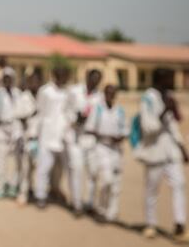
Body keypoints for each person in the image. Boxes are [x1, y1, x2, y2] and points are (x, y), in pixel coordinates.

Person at [135, 68, 189, 242]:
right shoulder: (147, 98)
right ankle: (150, 225)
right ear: (160, 79)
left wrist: (183, 148)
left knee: (179, 185)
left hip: (172, 152)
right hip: (154, 152)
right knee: (152, 190)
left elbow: (174, 125)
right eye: (170, 77)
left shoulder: (169, 96)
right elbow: (148, 127)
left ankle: (179, 226)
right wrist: (163, 112)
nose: (173, 80)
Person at [34, 66, 78, 211]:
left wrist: (70, 122)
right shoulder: (45, 91)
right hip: (47, 135)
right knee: (44, 167)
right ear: (54, 75)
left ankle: (74, 200)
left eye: (65, 75)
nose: (63, 78)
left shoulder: (69, 92)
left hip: (64, 136)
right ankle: (40, 196)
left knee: (67, 169)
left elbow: (72, 112)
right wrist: (36, 134)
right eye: (60, 75)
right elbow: (40, 112)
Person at [83, 85, 126, 222]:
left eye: (113, 93)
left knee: (116, 183)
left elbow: (125, 130)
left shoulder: (120, 111)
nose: (110, 95)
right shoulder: (98, 109)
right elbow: (89, 128)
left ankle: (112, 212)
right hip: (101, 148)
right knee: (106, 180)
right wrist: (104, 135)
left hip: (116, 150)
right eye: (108, 93)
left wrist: (119, 137)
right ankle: (101, 208)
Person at [68, 69, 103, 214]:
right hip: (76, 138)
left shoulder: (99, 97)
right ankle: (77, 204)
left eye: (98, 79)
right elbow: (66, 110)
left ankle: (90, 202)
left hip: (92, 140)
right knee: (76, 170)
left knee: (93, 172)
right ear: (87, 77)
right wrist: (75, 120)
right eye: (93, 78)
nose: (95, 82)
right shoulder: (74, 91)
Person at [0, 68, 22, 199]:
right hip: (2, 130)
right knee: (1, 161)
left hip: (16, 129)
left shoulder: (18, 93)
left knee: (15, 162)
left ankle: (13, 186)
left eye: (10, 78)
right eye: (5, 79)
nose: (8, 81)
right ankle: (0, 187)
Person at [15, 73, 40, 205]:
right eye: (32, 82)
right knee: (25, 168)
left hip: (40, 139)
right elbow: (19, 116)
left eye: (37, 82)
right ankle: (23, 193)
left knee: (36, 168)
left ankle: (33, 191)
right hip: (27, 137)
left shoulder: (42, 97)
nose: (35, 85)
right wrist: (32, 113)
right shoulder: (23, 97)